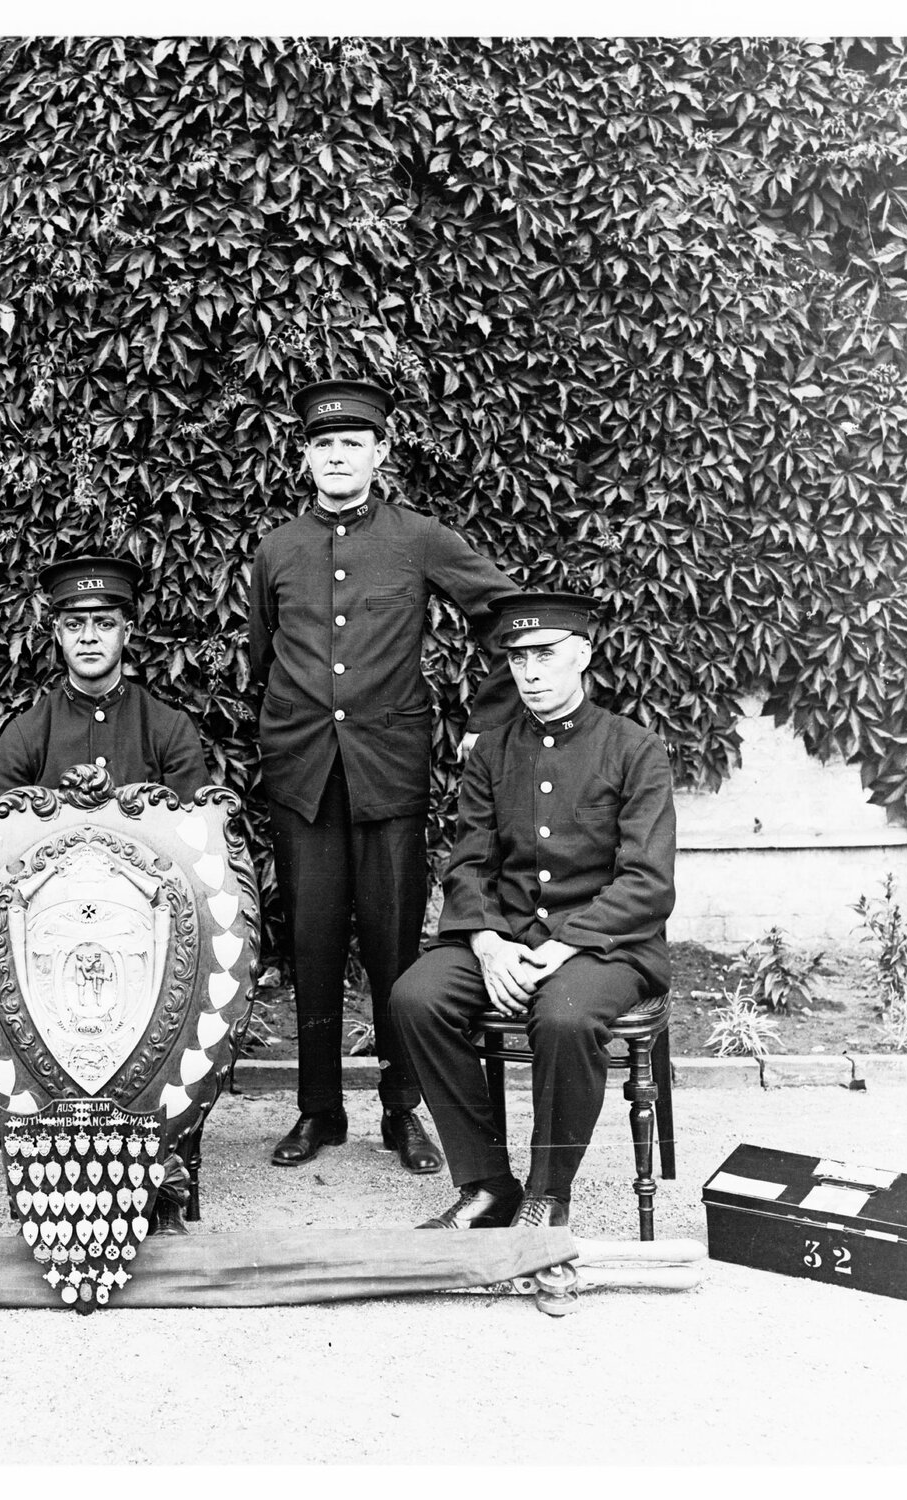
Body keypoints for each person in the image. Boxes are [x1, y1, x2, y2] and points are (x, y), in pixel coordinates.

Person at [247, 377, 520, 1177]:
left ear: (379, 453)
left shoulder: (418, 538)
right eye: (324, 445)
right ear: (305, 456)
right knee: (312, 944)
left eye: (353, 444)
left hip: (388, 773)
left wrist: (486, 720)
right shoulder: (277, 549)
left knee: (398, 949)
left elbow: (507, 614)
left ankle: (403, 1113)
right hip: (304, 776)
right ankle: (318, 1111)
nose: (338, 457)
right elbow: (265, 658)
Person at [391, 591, 676, 1230]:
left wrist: (565, 944)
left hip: (607, 945)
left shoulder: (634, 749)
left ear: (583, 654)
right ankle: (489, 1184)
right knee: (417, 997)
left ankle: (549, 1195)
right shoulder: (491, 752)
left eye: (546, 655)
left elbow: (648, 882)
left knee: (567, 1015)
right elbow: (466, 865)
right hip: (508, 938)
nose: (532, 673)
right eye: (518, 659)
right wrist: (489, 943)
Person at [0, 554, 210, 802]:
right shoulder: (24, 737)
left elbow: (194, 831)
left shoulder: (168, 730)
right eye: (74, 625)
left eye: (105, 624)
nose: (88, 637)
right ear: (58, 633)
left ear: (127, 632)